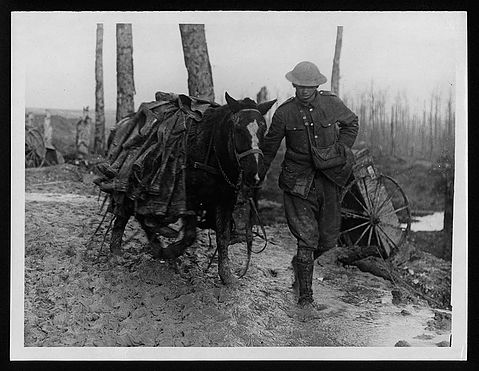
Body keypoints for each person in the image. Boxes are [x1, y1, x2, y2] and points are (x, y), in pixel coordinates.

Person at [259, 61, 359, 308]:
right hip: (297, 184)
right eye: (300, 86)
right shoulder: (284, 113)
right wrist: (257, 175)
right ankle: (305, 298)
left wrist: (340, 149)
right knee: (307, 239)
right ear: (294, 85)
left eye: (309, 86)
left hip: (329, 180)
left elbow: (351, 123)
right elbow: (270, 146)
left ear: (317, 85)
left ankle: (301, 264)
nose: (304, 90)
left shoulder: (331, 103)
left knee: (328, 239)